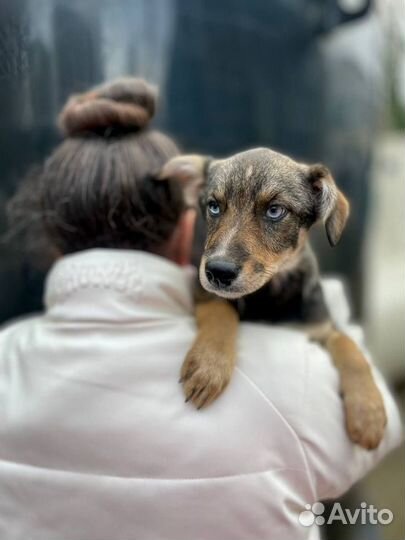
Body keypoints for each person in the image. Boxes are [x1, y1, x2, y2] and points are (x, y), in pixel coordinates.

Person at [0, 77, 401, 540]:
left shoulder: (8, 356)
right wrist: (218, 325)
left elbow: (333, 347)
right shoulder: (300, 382)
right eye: (216, 208)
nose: (226, 251)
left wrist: (348, 355)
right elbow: (374, 442)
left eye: (273, 213)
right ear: (189, 222)